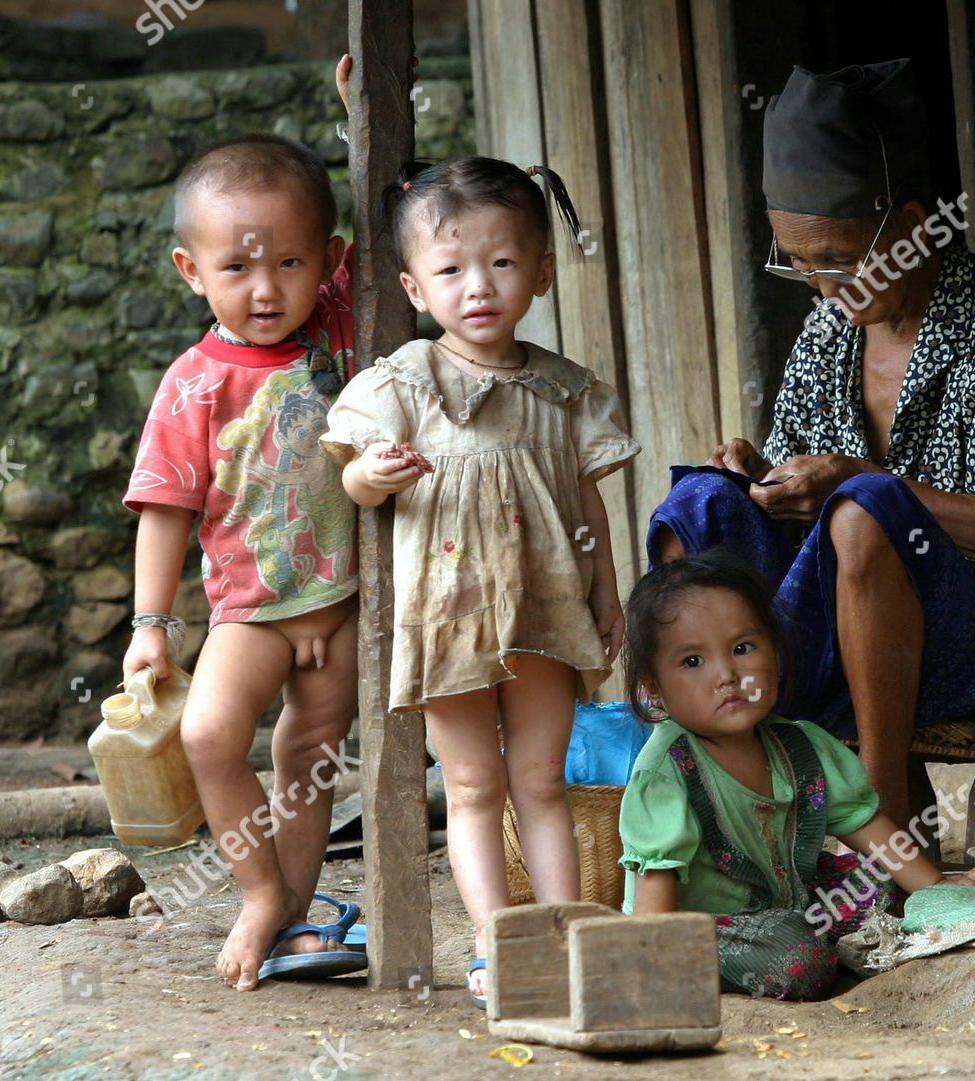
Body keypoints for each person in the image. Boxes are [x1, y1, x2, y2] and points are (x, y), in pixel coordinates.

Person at [648, 60, 975, 839]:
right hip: (847, 637)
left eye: (839, 260)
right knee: (699, 503)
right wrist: (759, 479)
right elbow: (793, 500)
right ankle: (719, 806)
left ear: (914, 225)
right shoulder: (828, 331)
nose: (822, 288)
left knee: (865, 514)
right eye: (800, 264)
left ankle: (879, 830)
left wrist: (862, 484)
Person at [321, 156, 640, 1009]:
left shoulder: (564, 392)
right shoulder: (403, 383)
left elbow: (587, 508)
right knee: (470, 784)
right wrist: (375, 476)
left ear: (539, 272)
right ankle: (498, 945)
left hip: (544, 611)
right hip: (449, 618)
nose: (479, 287)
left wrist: (607, 596)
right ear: (415, 287)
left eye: (502, 264)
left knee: (542, 781)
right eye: (452, 269)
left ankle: (564, 934)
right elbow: (351, 484)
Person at [122, 130, 367, 992]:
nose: (267, 289)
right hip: (249, 609)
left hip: (339, 602)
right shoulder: (194, 382)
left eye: (291, 262)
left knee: (309, 760)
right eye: (237, 270)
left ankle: (297, 922)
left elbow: (385, 218)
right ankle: (260, 893)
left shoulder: (340, 328)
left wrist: (356, 119)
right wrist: (151, 626)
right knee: (210, 734)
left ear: (328, 260)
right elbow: (163, 508)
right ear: (191, 269)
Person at [617, 549, 975, 1001]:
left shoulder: (800, 745)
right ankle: (817, 953)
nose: (728, 675)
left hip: (797, 904)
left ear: (774, 655)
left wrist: (935, 887)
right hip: (704, 926)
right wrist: (654, 965)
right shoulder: (666, 773)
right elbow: (655, 893)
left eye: (742, 648)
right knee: (797, 957)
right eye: (693, 661)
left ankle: (836, 941)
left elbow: (865, 825)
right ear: (653, 688)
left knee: (886, 888)